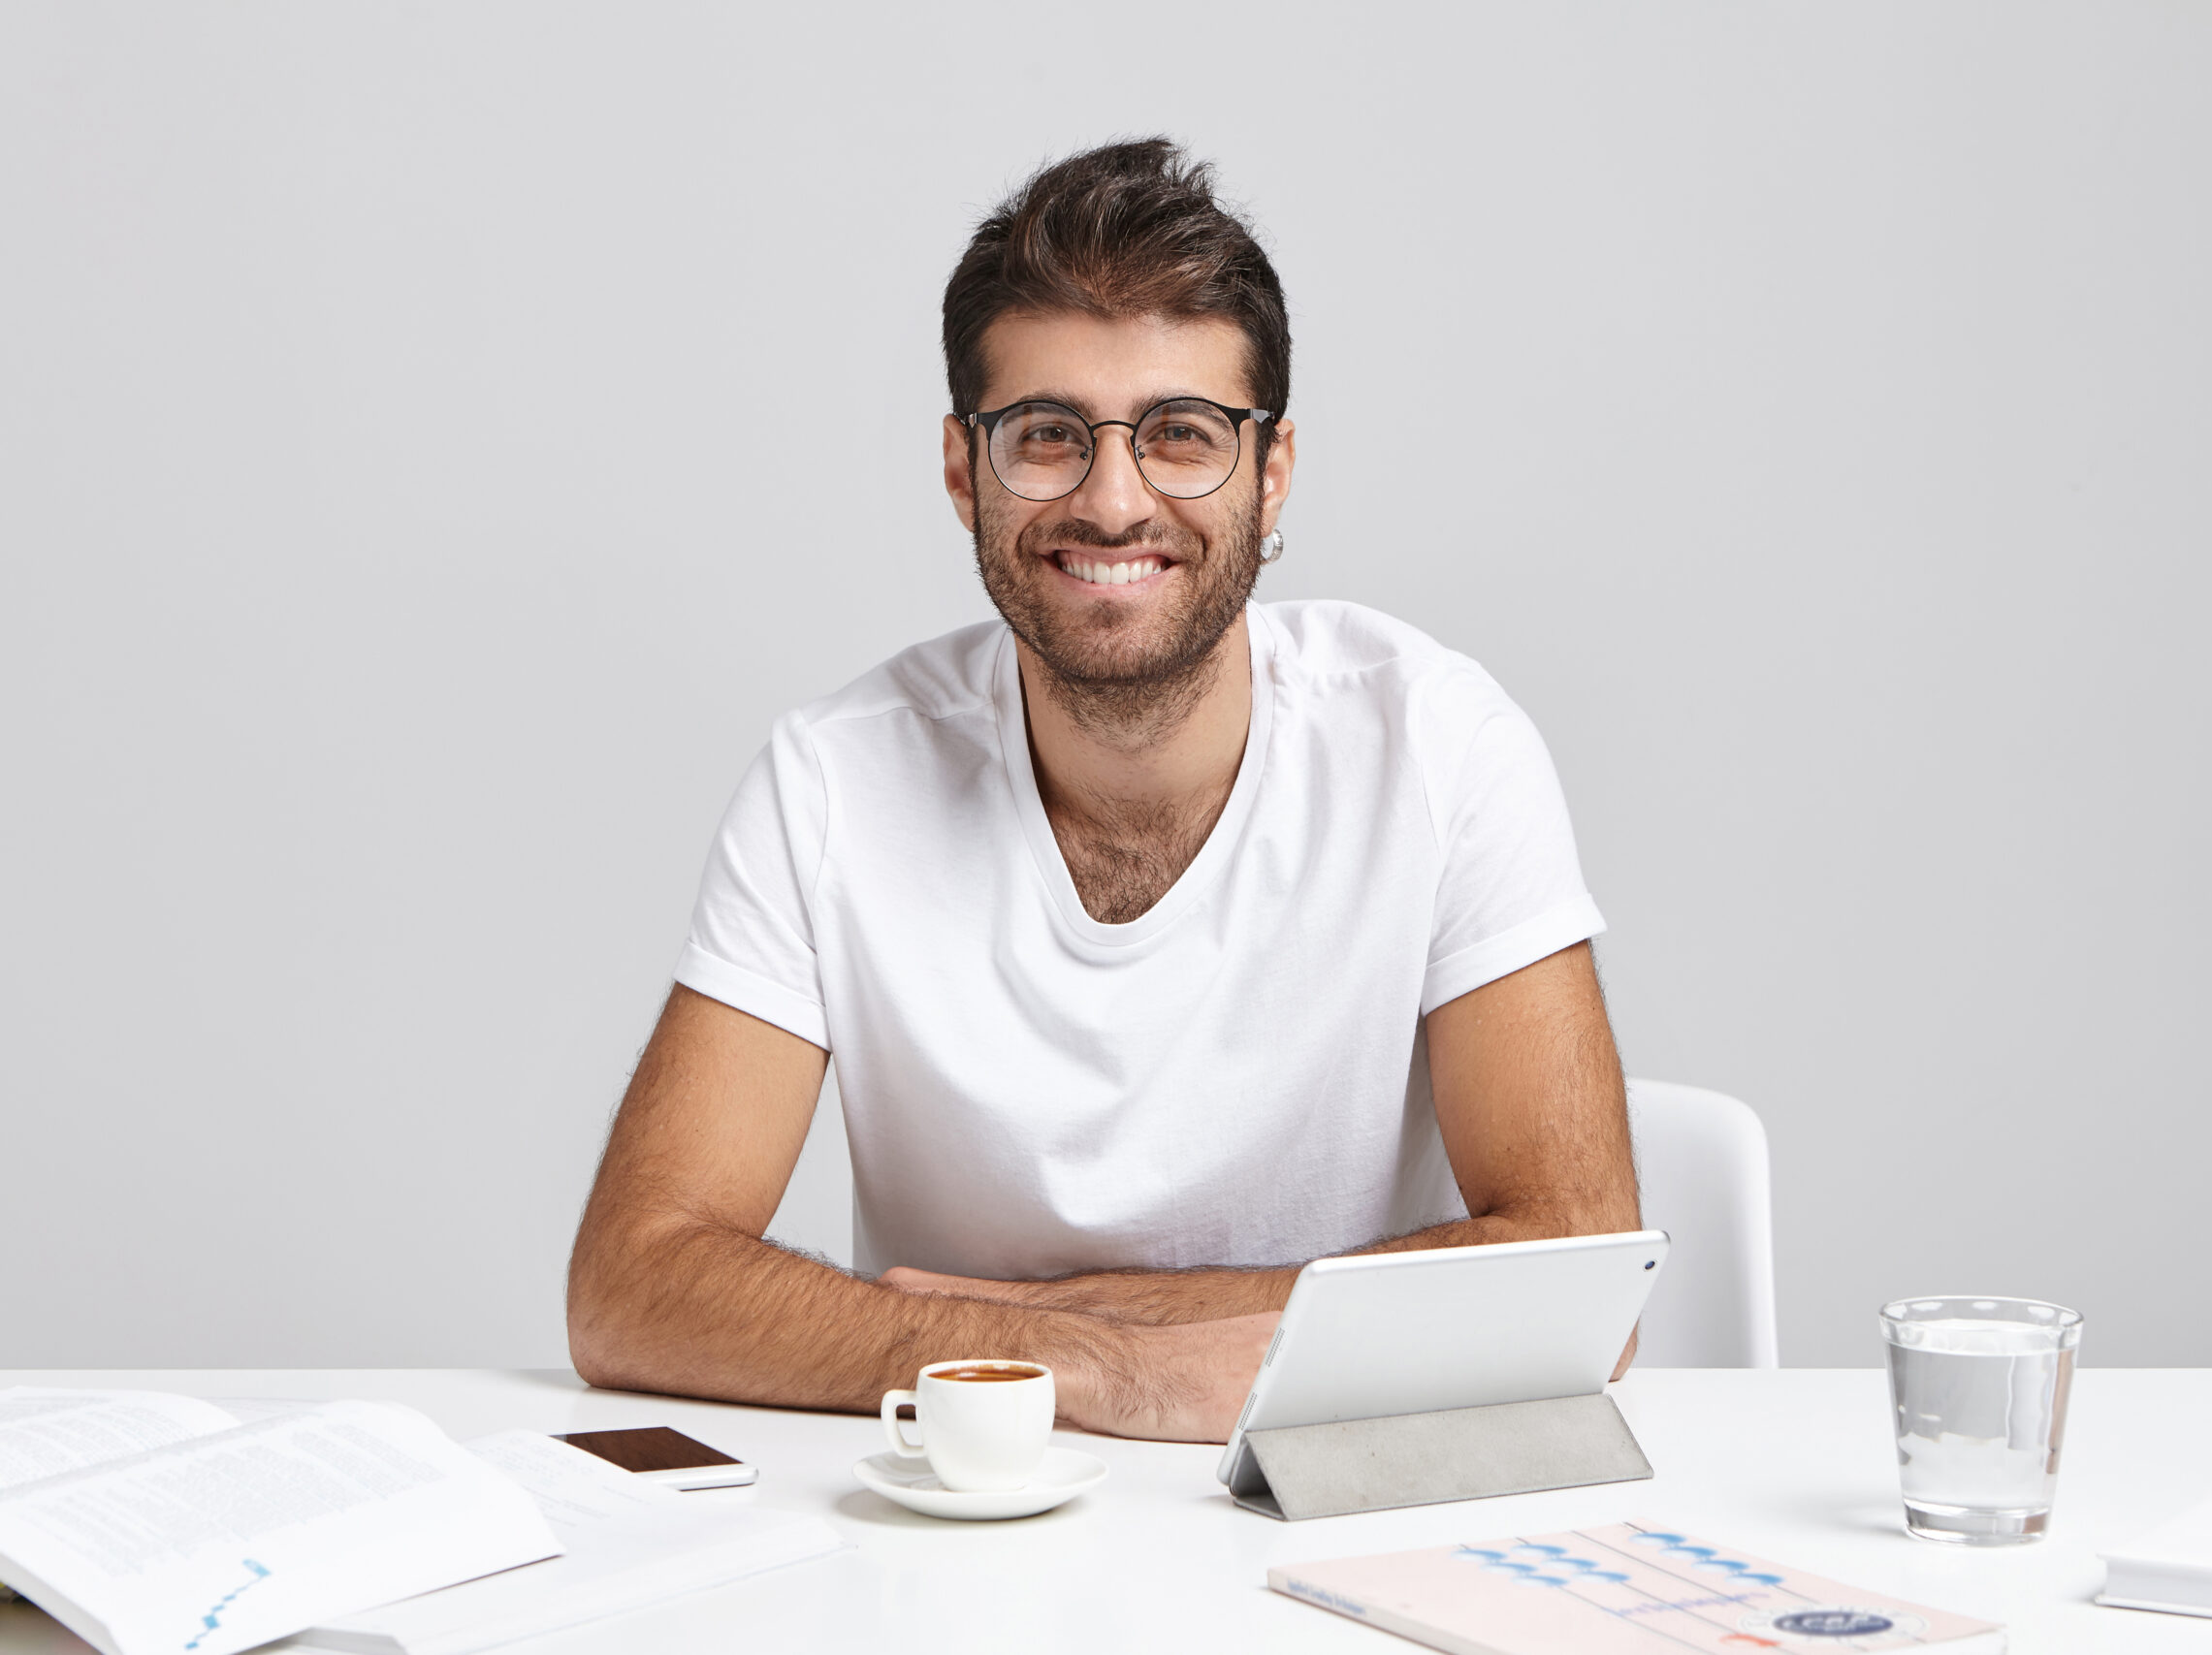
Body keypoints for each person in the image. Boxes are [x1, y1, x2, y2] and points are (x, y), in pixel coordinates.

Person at [567, 139, 1638, 1445]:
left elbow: (1583, 1279)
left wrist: (1097, 1319)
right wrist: (1094, 1366)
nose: (1115, 498)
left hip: (1332, 1491)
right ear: (965, 471)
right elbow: (630, 1286)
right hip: (964, 1531)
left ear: (1273, 470)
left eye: (1183, 434)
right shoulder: (834, 784)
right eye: (1048, 437)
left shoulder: (1438, 748)